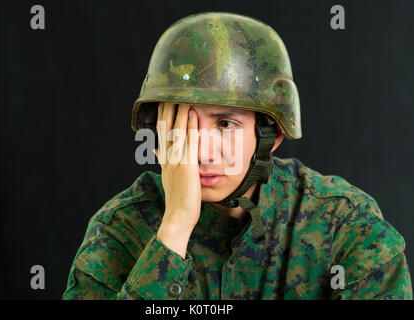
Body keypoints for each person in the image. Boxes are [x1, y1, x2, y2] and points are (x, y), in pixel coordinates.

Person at [62, 12, 412, 300]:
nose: (201, 150)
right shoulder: (120, 230)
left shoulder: (343, 224)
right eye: (184, 125)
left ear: (270, 136)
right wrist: (175, 226)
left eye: (226, 123)